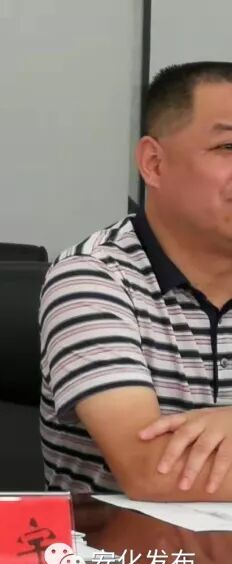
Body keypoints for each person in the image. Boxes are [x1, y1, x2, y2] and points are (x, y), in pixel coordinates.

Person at [40, 61, 232, 500]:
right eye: (228, 146)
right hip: (127, 543)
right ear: (154, 163)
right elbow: (153, 471)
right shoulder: (93, 277)